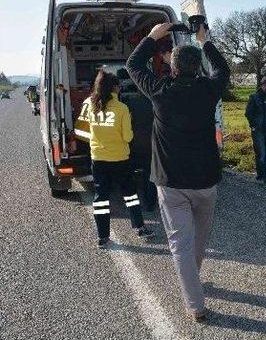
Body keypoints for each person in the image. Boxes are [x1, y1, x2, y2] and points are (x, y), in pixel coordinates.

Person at [126, 22, 230, 322]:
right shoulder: (209, 89)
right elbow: (222, 70)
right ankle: (192, 283)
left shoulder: (160, 91)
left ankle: (195, 303)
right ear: (198, 69)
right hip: (206, 182)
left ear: (172, 69)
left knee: (180, 243)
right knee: (197, 240)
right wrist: (204, 41)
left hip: (171, 183)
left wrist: (152, 36)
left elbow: (133, 64)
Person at [77, 70, 154, 249]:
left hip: (98, 159)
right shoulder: (121, 108)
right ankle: (140, 227)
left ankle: (103, 237)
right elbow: (127, 137)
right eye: (119, 86)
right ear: (114, 88)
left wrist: (97, 140)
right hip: (120, 158)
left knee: (101, 197)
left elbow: (81, 131)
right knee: (130, 194)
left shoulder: (89, 104)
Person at [117, 68, 157, 212]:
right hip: (151, 145)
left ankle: (131, 201)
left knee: (129, 174)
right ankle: (150, 203)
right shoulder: (156, 103)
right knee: (149, 175)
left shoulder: (130, 105)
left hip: (133, 145)